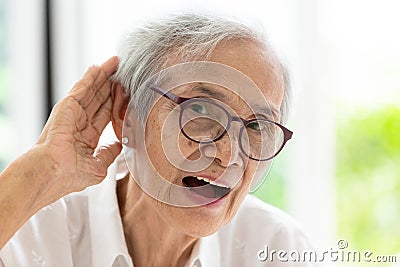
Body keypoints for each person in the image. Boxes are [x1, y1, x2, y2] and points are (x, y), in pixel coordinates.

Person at [0, 13, 319, 266]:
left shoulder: (278, 247)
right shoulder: (29, 234)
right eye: (200, 110)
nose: (228, 153)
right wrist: (43, 169)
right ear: (127, 111)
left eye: (256, 126)